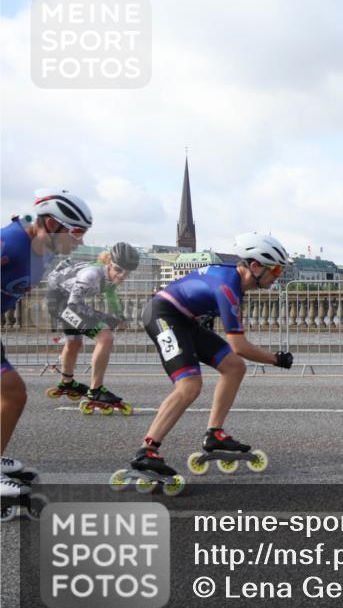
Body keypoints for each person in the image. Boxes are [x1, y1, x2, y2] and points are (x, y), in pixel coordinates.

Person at [114, 232, 295, 491]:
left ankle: (214, 435)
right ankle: (147, 451)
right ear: (254, 266)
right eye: (275, 269)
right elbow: (239, 345)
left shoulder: (233, 282)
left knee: (234, 367)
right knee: (189, 386)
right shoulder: (228, 288)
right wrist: (276, 359)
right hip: (163, 315)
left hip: (184, 319)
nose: (278, 275)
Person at [1, 190, 92, 516]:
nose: (80, 242)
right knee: (12, 393)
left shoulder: (42, 246)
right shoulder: (9, 245)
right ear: (53, 223)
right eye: (77, 233)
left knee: (12, 395)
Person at [45, 241, 140, 413]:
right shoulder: (91, 275)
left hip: (64, 298)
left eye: (127, 273)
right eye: (118, 270)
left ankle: (67, 382)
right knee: (105, 337)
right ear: (109, 263)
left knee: (74, 342)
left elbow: (110, 294)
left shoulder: (109, 276)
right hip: (61, 302)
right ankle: (95, 390)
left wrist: (120, 316)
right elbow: (74, 306)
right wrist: (106, 318)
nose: (121, 276)